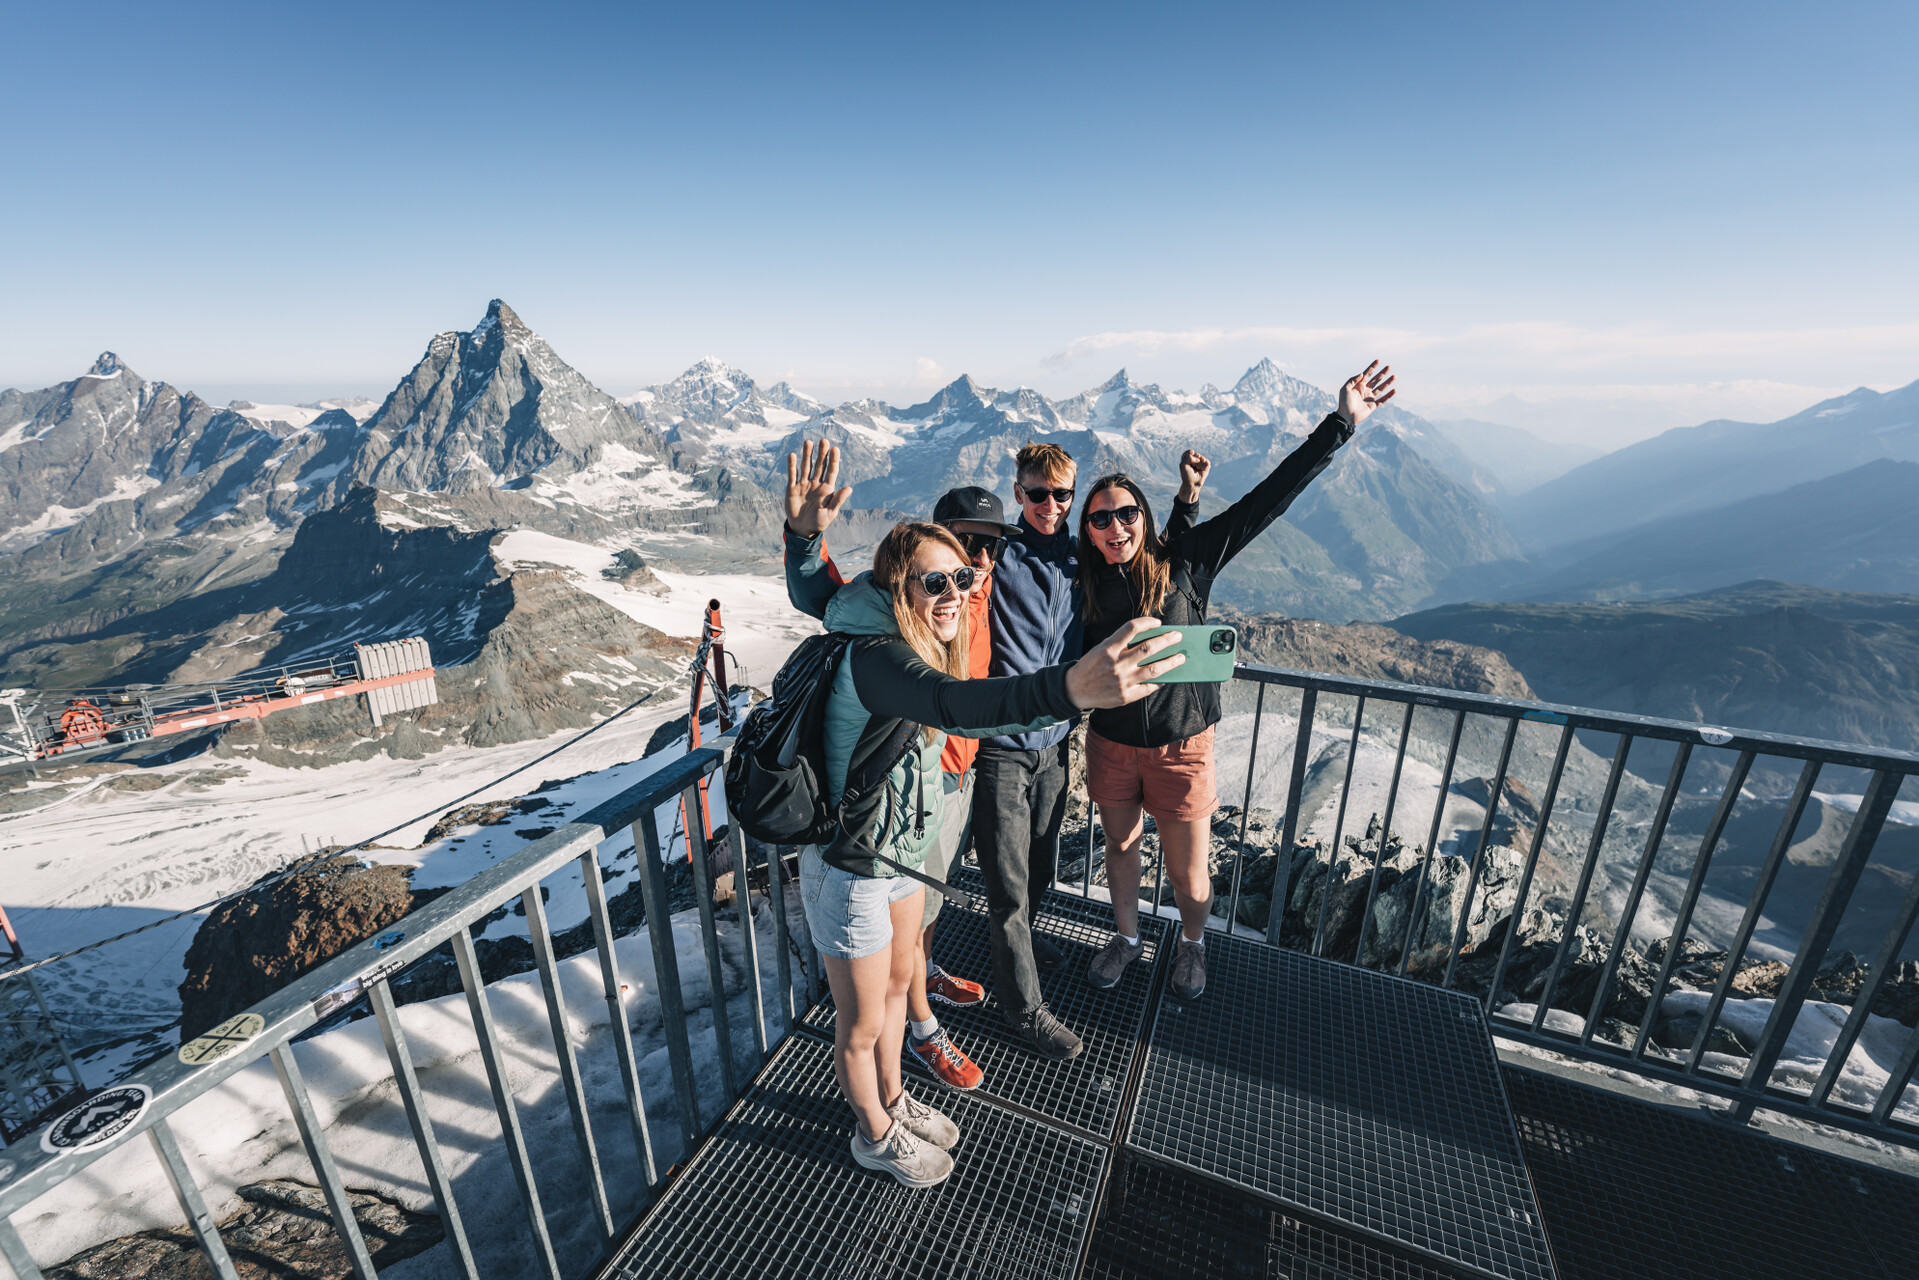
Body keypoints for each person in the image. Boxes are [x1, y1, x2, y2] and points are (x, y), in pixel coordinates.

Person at [801, 520, 1180, 1186]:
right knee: (861, 1023)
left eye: (963, 578)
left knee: (895, 994)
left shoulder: (914, 639)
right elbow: (956, 703)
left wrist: (802, 540)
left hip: (895, 857)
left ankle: (892, 1100)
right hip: (854, 868)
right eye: (934, 581)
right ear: (898, 586)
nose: (953, 593)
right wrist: (1067, 689)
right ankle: (873, 1135)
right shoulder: (879, 658)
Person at [1079, 361, 1396, 1001]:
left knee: (1189, 870)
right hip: (1111, 744)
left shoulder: (1185, 562)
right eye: (1101, 519)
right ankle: (1127, 935)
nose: (1116, 528)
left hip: (1179, 745)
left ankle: (1192, 946)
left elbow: (1266, 501)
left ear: (1142, 517)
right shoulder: (1080, 583)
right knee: (1119, 847)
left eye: (1125, 514)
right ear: (1088, 531)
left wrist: (1338, 426)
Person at [783, 441, 1020, 1089]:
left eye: (986, 548)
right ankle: (922, 1028)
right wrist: (804, 538)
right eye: (963, 543)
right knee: (899, 930)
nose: (974, 560)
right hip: (907, 790)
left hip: (952, 776)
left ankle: (923, 980)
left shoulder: (976, 586)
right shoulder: (904, 602)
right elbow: (825, 597)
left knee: (925, 906)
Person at [971, 441, 1088, 1059]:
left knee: (1040, 867)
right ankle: (1024, 1009)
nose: (1049, 504)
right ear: (1018, 494)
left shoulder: (1079, 557)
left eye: (1060, 495)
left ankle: (1021, 943)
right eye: (1037, 494)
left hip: (1056, 744)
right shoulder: (996, 555)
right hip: (1003, 748)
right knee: (1008, 885)